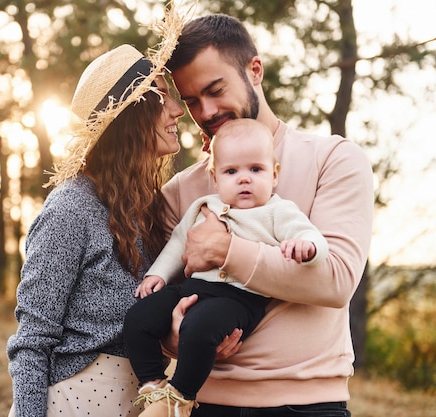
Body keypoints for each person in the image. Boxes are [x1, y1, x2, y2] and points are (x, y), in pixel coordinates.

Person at [158, 13, 374, 417]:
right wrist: (172, 335)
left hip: (308, 406)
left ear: (254, 70)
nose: (205, 112)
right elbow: (159, 296)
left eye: (215, 89)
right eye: (190, 102)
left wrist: (226, 250)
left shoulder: (334, 159)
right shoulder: (180, 192)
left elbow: (337, 280)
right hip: (208, 406)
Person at [5, 7, 201, 416]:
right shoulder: (70, 209)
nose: (178, 111)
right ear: (134, 115)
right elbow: (32, 341)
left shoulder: (148, 209)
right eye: (163, 97)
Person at [123, 119, 329, 417]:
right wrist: (157, 274)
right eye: (231, 171)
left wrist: (306, 247)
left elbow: (311, 236)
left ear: (274, 174)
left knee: (198, 328)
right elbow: (180, 242)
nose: (244, 179)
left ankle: (179, 398)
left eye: (255, 170)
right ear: (215, 177)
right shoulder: (204, 205)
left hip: (238, 298)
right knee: (139, 317)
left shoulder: (277, 210)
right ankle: (152, 383)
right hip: (191, 289)